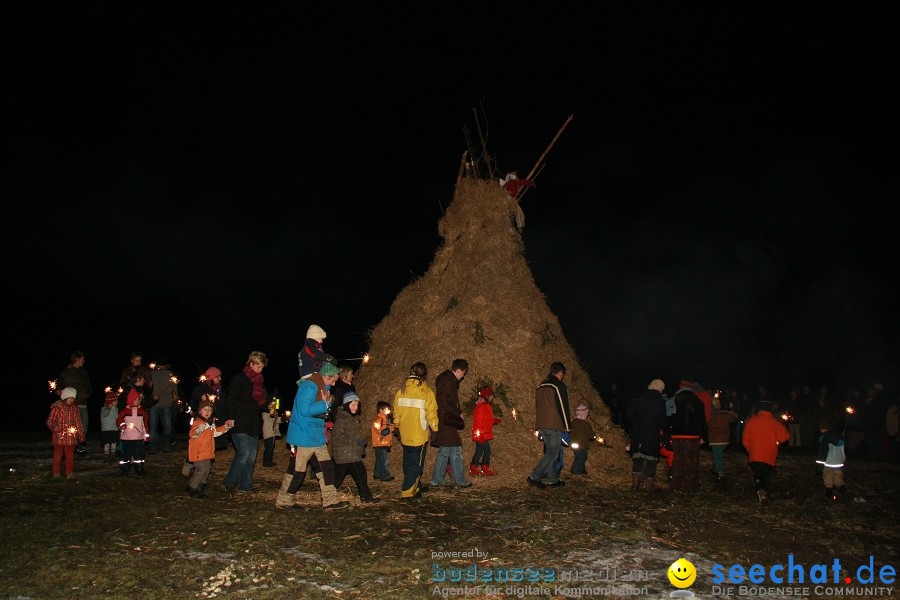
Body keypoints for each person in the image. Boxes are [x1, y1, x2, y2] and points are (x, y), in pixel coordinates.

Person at [275, 361, 348, 510]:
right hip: (303, 437)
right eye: (333, 380)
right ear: (325, 377)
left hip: (316, 437)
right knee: (297, 472)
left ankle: (330, 501)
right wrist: (324, 404)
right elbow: (304, 409)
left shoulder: (323, 389)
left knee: (327, 469)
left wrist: (326, 405)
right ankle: (284, 500)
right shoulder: (309, 386)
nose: (334, 384)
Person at [221, 351, 267, 493]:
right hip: (239, 421)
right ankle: (230, 480)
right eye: (258, 367)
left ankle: (246, 485)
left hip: (253, 423)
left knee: (252, 456)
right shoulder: (239, 379)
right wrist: (229, 417)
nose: (260, 370)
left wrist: (269, 406)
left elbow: (260, 403)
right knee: (244, 452)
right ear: (251, 363)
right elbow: (231, 399)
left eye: (262, 367)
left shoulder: (259, 382)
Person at [393, 362, 439, 499]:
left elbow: (396, 412)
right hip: (419, 434)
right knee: (417, 464)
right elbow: (431, 413)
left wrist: (396, 427)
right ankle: (407, 492)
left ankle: (415, 486)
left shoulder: (401, 391)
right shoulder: (426, 392)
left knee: (408, 461)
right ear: (424, 375)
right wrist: (435, 430)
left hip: (405, 433)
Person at [527, 362, 571, 489]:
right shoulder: (558, 386)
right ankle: (534, 476)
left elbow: (538, 406)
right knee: (553, 453)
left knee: (550, 452)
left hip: (541, 423)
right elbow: (563, 407)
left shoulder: (540, 386)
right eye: (563, 374)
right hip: (553, 424)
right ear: (561, 372)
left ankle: (553, 480)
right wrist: (567, 425)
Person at [430, 358, 472, 489]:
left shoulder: (447, 380)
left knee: (446, 450)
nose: (463, 376)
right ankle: (458, 479)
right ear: (458, 370)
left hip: (445, 420)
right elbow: (444, 402)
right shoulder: (448, 381)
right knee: (455, 449)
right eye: (463, 373)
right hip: (446, 420)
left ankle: (438, 479)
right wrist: (457, 412)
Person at [331, 391, 378, 503]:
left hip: (350, 454)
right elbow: (339, 437)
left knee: (359, 475)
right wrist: (357, 441)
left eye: (357, 405)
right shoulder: (342, 419)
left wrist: (362, 441)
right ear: (347, 405)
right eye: (353, 405)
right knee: (342, 477)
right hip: (345, 454)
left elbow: (352, 435)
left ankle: (365, 496)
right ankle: (328, 495)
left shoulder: (352, 418)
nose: (356, 407)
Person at [742, 399, 789, 503]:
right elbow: (784, 437)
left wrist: (750, 450)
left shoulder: (751, 421)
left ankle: (760, 489)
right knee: (766, 473)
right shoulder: (774, 422)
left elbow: (745, 439)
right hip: (770, 454)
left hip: (755, 454)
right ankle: (764, 491)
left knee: (758, 473)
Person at [182, 366, 227, 477]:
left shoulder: (220, 390)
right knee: (200, 444)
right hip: (202, 421)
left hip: (214, 420)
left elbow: (222, 405)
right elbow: (193, 405)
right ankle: (188, 463)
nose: (220, 378)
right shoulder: (201, 389)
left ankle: (206, 467)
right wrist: (202, 402)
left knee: (210, 445)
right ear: (211, 378)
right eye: (217, 377)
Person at [186, 399, 234, 498]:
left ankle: (200, 487)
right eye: (205, 409)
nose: (207, 412)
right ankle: (192, 487)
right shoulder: (197, 422)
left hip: (207, 451)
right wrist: (199, 430)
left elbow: (215, 433)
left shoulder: (211, 423)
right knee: (201, 469)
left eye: (209, 410)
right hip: (198, 452)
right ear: (200, 411)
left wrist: (226, 427)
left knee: (206, 470)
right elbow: (193, 433)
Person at [627, 379, 668, 492]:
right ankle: (649, 486)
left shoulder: (640, 398)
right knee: (651, 459)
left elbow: (630, 414)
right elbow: (663, 420)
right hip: (652, 433)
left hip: (639, 433)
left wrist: (636, 426)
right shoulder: (660, 401)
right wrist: (663, 430)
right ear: (661, 389)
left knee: (638, 457)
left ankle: (635, 485)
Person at [669, 382, 709, 492]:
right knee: (692, 461)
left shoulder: (675, 399)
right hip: (693, 435)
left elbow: (669, 416)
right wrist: (704, 436)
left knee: (678, 460)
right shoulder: (698, 402)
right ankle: (690, 486)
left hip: (677, 434)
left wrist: (669, 434)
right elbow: (702, 421)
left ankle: (677, 485)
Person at [46, 387, 85, 479]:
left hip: (71, 437)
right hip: (59, 436)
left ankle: (69, 473)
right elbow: (49, 421)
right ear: (64, 397)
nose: (71, 399)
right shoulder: (58, 408)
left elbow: (78, 422)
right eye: (69, 397)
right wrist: (56, 428)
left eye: (72, 398)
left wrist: (81, 435)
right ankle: (56, 473)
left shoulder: (74, 409)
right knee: (58, 455)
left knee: (70, 455)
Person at [58, 351, 92, 455]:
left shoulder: (84, 372)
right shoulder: (65, 373)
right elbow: (59, 388)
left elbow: (88, 386)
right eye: (82, 359)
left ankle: (79, 445)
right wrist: (65, 400)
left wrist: (88, 393)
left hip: (82, 403)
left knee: (84, 426)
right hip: (70, 405)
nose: (84, 361)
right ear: (76, 360)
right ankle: (67, 447)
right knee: (68, 426)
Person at [148, 357, 178, 453]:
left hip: (161, 403)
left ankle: (158, 446)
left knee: (157, 426)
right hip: (155, 404)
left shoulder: (168, 375)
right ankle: (163, 446)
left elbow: (175, 390)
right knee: (165, 426)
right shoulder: (152, 374)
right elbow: (175, 391)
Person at [117, 388, 149, 475]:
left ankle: (139, 470)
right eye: (136, 400)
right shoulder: (125, 411)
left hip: (138, 438)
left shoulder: (142, 412)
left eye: (139, 400)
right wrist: (122, 425)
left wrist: (146, 436)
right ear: (131, 400)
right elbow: (119, 420)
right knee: (126, 454)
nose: (138, 401)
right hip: (127, 437)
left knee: (139, 455)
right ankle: (124, 470)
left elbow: (145, 424)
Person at [470, 386, 501, 477]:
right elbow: (478, 422)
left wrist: (494, 421)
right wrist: (480, 435)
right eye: (491, 396)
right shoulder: (482, 406)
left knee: (480, 451)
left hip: (483, 434)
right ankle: (481, 468)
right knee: (486, 451)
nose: (492, 398)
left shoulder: (485, 406)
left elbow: (486, 419)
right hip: (482, 435)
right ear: (487, 396)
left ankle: (476, 468)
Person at [816, 419, 847, 502]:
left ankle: (829, 497)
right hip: (839, 462)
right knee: (838, 479)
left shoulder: (824, 437)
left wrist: (819, 467)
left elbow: (822, 452)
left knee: (828, 479)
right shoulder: (839, 436)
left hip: (828, 462)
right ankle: (845, 495)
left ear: (822, 428)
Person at [708, 395, 738, 479]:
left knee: (718, 456)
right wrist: (733, 409)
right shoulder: (724, 414)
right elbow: (734, 417)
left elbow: (707, 426)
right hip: (724, 439)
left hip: (715, 440)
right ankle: (716, 468)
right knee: (718, 455)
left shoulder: (710, 416)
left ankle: (720, 472)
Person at [372, 400, 395, 481]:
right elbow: (375, 427)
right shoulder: (379, 419)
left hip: (384, 442)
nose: (389, 411)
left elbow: (391, 429)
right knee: (384, 460)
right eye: (386, 409)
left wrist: (391, 422)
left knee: (379, 459)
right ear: (381, 410)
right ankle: (385, 476)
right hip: (380, 442)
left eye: (389, 409)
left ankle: (377, 474)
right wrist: (382, 431)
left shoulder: (386, 419)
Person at [569, 403, 594, 476]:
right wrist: (594, 436)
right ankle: (575, 470)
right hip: (582, 444)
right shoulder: (586, 424)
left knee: (581, 456)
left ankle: (582, 470)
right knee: (581, 457)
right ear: (583, 414)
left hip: (574, 444)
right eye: (586, 414)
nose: (587, 415)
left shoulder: (573, 422)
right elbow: (590, 435)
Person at [261, 394, 282, 468]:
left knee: (271, 447)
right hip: (268, 432)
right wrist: (280, 419)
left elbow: (275, 419)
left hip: (272, 432)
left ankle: (268, 461)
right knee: (269, 448)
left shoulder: (273, 411)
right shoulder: (266, 413)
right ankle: (266, 462)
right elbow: (272, 419)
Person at [100, 388, 120, 455]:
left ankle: (113, 454)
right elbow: (104, 414)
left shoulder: (116, 409)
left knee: (114, 443)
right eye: (115, 401)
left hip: (114, 429)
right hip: (107, 430)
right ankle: (106, 455)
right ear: (111, 402)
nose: (117, 402)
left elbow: (117, 418)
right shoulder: (104, 409)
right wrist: (108, 408)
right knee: (107, 444)